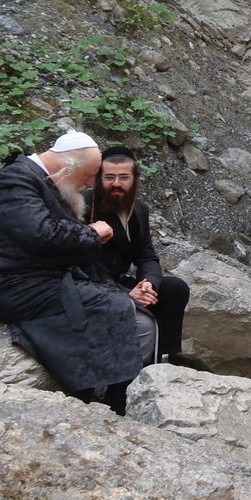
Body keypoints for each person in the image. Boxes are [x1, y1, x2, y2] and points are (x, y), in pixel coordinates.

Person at [0, 130, 147, 414]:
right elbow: (41, 235)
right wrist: (91, 233)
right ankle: (102, 399)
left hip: (46, 277)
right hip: (20, 287)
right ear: (69, 166)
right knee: (116, 307)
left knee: (125, 302)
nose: (91, 184)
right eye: (89, 175)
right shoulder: (12, 182)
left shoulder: (40, 180)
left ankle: (108, 395)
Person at [86, 146, 189, 362]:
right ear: (98, 178)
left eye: (124, 177)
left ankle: (163, 356)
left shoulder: (138, 208)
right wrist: (124, 294)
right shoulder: (85, 205)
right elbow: (81, 263)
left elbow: (146, 255)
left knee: (175, 288)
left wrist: (147, 283)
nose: (116, 184)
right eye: (110, 177)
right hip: (92, 283)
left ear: (135, 179)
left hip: (120, 282)